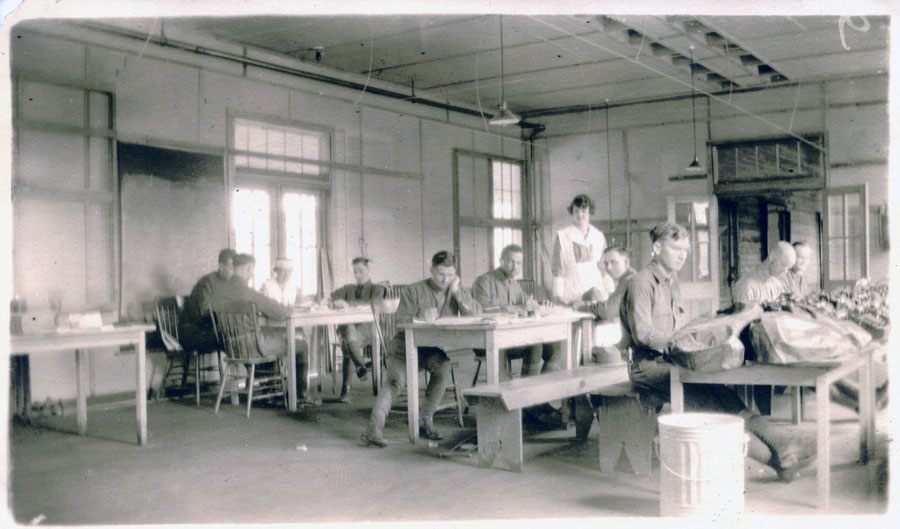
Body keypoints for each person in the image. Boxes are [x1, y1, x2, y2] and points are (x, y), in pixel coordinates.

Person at [620, 222, 816, 482]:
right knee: (709, 403)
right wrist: (680, 347)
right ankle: (779, 458)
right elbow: (643, 334)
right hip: (647, 367)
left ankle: (783, 448)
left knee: (722, 391)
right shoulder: (641, 283)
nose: (683, 255)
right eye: (676, 248)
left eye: (686, 250)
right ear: (656, 248)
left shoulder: (671, 282)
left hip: (672, 360)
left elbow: (678, 327)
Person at [361, 251, 481, 447]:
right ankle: (374, 428)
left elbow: (476, 312)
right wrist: (421, 316)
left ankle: (425, 419)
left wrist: (458, 290)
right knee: (395, 381)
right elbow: (400, 321)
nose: (445, 279)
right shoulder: (413, 290)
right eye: (441, 274)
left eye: (450, 275)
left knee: (443, 367)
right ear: (431, 270)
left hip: (430, 349)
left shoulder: (455, 289)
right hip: (404, 346)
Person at [211, 253, 318, 406]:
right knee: (301, 345)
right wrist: (287, 309)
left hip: (230, 347)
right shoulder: (249, 293)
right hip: (253, 347)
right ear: (248, 268)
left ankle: (270, 391)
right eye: (252, 270)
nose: (252, 274)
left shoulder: (218, 293)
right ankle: (301, 395)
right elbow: (281, 313)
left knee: (271, 336)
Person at [472, 244, 560, 378]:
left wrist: (542, 304)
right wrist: (519, 308)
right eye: (511, 262)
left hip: (512, 336)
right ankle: (527, 393)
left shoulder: (513, 284)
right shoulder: (484, 281)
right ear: (501, 261)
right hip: (489, 339)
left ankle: (539, 393)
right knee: (534, 345)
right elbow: (481, 310)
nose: (516, 267)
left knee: (555, 348)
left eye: (519, 263)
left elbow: (528, 303)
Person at [331, 257, 386, 402]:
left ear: (368, 270)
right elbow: (333, 296)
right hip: (349, 331)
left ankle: (346, 390)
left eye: (360, 271)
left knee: (346, 340)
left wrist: (347, 303)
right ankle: (360, 366)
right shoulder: (348, 288)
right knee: (348, 331)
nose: (357, 275)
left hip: (367, 329)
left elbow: (372, 304)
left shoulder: (377, 288)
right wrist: (339, 301)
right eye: (355, 272)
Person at [552, 194, 615, 305]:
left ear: (590, 212)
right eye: (576, 211)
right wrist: (558, 296)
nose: (580, 215)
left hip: (596, 290)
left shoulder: (598, 236)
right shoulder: (563, 236)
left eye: (584, 211)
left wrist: (611, 291)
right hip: (573, 290)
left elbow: (603, 268)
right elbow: (558, 270)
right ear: (572, 212)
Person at [179, 248, 237, 356]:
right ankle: (249, 371)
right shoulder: (208, 282)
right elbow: (205, 311)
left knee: (240, 337)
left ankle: (249, 371)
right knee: (235, 339)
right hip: (193, 333)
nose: (234, 273)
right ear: (221, 266)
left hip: (207, 330)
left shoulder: (229, 284)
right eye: (231, 268)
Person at [732, 241, 796, 306]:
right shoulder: (747, 287)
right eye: (783, 264)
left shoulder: (776, 285)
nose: (785, 271)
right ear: (772, 257)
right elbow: (743, 315)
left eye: (788, 268)